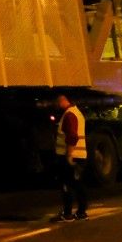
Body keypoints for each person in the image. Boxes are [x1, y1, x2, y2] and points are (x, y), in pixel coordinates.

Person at [52, 93, 87, 222]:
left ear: (62, 101)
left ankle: (67, 214)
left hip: (71, 157)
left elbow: (72, 136)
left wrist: (69, 155)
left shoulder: (69, 114)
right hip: (80, 155)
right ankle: (82, 212)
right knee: (78, 185)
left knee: (66, 185)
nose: (56, 105)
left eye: (57, 102)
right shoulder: (77, 112)